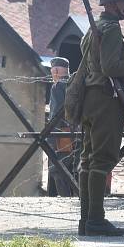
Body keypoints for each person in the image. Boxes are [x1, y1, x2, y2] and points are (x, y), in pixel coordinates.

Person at [78, 0, 124, 237]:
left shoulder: (93, 30)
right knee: (102, 160)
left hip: (89, 100)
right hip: (106, 100)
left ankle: (87, 220)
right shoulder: (112, 29)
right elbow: (111, 67)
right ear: (113, 3)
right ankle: (96, 220)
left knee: (88, 160)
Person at [48, 56, 75, 196]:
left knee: (57, 168)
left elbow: (56, 112)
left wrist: (49, 133)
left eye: (52, 71)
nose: (52, 75)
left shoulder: (58, 86)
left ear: (57, 70)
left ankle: (66, 199)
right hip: (76, 131)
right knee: (75, 168)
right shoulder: (74, 83)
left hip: (61, 133)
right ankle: (77, 197)